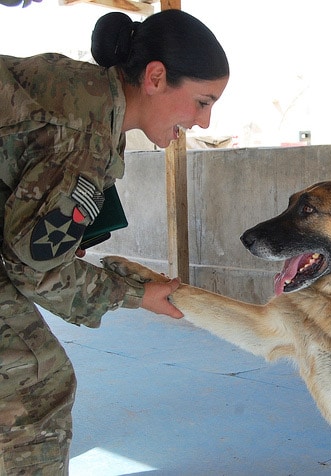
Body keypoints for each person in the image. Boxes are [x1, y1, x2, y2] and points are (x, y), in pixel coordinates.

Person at [0, 9, 229, 474]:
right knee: (35, 384)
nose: (204, 122)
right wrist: (135, 295)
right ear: (156, 77)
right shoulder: (84, 133)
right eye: (202, 102)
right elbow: (35, 269)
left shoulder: (85, 93)